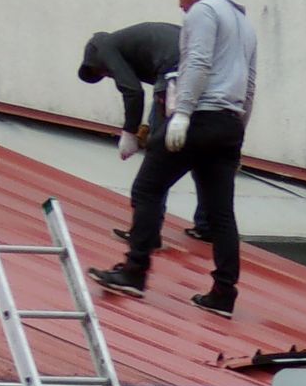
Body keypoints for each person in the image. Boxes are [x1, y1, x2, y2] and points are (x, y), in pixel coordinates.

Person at [89, 0, 257, 318]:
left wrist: (182, 113)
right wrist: (240, 127)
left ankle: (134, 271)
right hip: (229, 122)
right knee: (221, 213)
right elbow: (250, 81)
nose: (180, 1)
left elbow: (196, 63)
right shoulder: (243, 21)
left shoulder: (202, 13)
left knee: (147, 188)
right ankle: (224, 293)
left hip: (200, 116)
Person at [76, 23, 210, 248]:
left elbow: (132, 91)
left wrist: (129, 132)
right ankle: (208, 225)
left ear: (94, 62)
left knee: (158, 157)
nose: (109, 75)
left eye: (104, 73)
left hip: (175, 72)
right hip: (201, 71)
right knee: (203, 153)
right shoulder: (132, 43)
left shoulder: (104, 48)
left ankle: (146, 234)